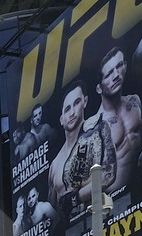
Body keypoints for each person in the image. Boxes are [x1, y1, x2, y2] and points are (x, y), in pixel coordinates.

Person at [48, 81, 116, 225]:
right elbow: (54, 211)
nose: (72, 112)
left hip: (104, 225)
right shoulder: (55, 165)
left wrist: (76, 197)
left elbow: (108, 175)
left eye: (76, 103)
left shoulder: (99, 129)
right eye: (67, 109)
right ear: (61, 119)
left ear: (84, 102)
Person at [96, 46, 142, 194]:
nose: (116, 75)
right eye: (109, 74)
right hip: (117, 202)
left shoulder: (134, 102)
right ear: (99, 88)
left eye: (119, 67)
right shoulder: (95, 128)